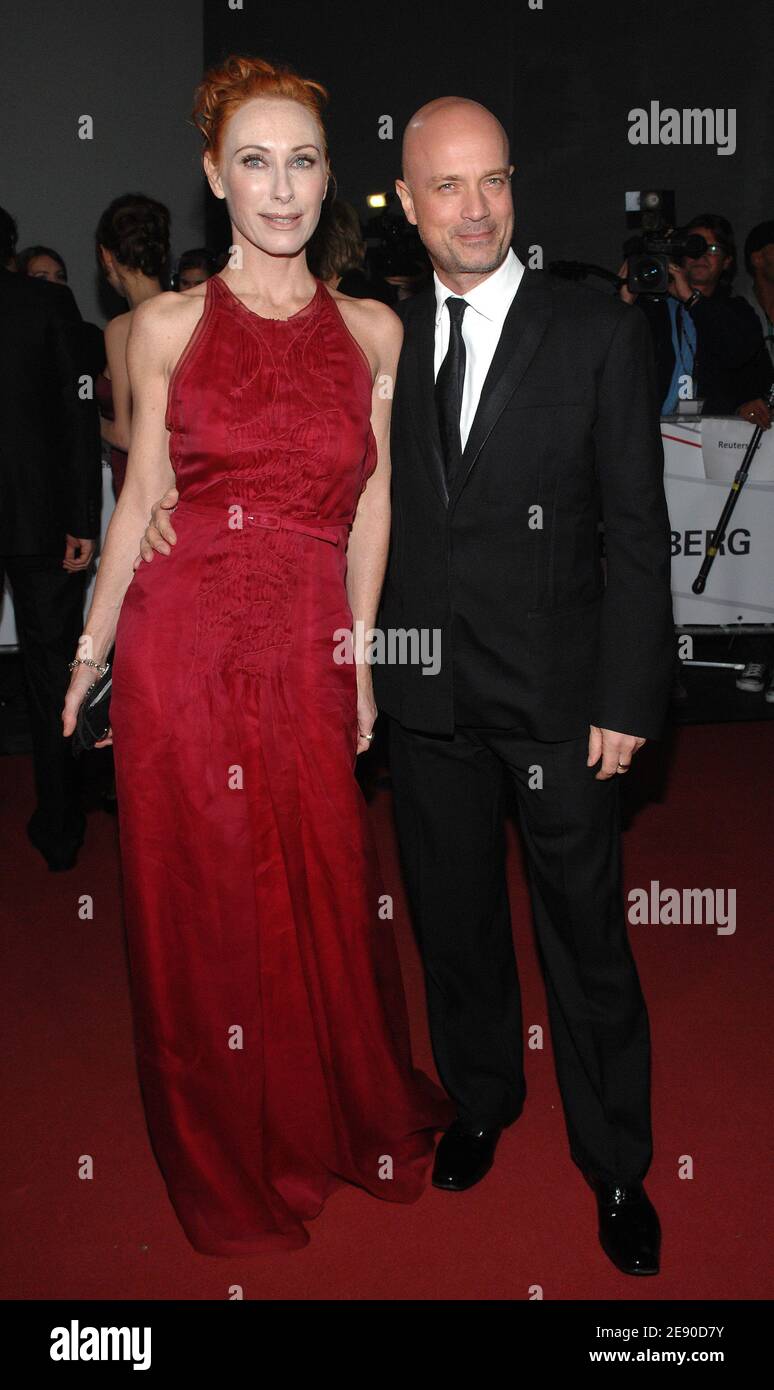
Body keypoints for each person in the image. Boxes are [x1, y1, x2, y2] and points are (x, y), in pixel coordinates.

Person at [62, 55, 452, 1257]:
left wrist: (364, 655)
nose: (279, 188)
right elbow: (140, 505)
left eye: (302, 161)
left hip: (307, 641)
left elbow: (374, 507)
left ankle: (336, 1110)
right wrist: (91, 650)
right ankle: (232, 1143)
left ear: (330, 177)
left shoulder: (376, 329)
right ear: (212, 178)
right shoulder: (160, 325)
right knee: (204, 900)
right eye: (253, 161)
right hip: (181, 644)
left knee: (326, 880)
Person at [377, 98, 675, 1277]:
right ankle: (484, 1100)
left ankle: (617, 1165)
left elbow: (641, 536)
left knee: (586, 937)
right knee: (451, 924)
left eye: (493, 180)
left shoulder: (593, 329)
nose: (476, 208)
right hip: (424, 693)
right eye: (447, 187)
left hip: (562, 697)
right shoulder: (382, 335)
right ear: (405, 205)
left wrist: (628, 694)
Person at [0, 206, 102, 871]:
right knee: (50, 676)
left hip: (35, 518)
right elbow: (78, 412)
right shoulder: (45, 304)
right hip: (38, 519)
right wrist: (83, 521)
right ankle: (61, 829)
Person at [620, 213, 773, 422]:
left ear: (727, 261)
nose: (700, 256)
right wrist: (622, 304)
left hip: (713, 436)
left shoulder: (737, 312)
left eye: (711, 249)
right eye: (692, 246)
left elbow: (739, 357)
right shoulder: (652, 307)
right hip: (650, 433)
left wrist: (693, 300)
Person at [94, 194, 171, 500]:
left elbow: (126, 435)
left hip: (141, 493)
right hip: (187, 490)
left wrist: (88, 419)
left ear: (106, 256)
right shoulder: (192, 314)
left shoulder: (122, 328)